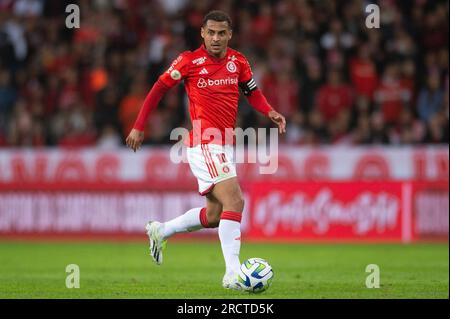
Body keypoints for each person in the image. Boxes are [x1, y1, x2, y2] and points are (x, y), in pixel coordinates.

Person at [125, 10, 286, 291]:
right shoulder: (189, 61)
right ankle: (233, 274)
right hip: (204, 143)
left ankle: (161, 230)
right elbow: (158, 89)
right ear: (202, 33)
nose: (215, 38)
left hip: (224, 145)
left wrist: (269, 111)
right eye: (210, 32)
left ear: (229, 35)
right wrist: (139, 125)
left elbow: (252, 92)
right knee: (235, 201)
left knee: (214, 216)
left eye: (221, 33)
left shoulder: (238, 61)